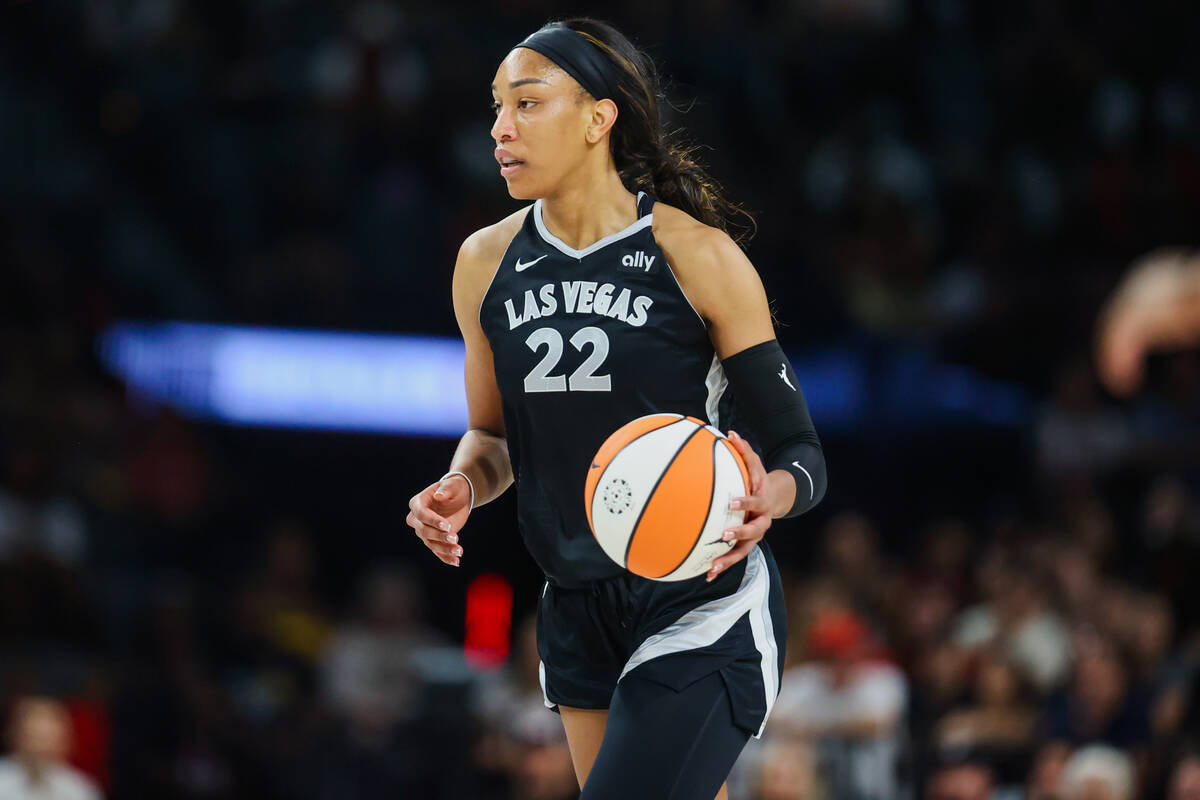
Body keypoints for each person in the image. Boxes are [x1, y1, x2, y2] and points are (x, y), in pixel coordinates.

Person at [406, 18, 827, 800]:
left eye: (527, 104)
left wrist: (775, 492)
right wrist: (463, 484)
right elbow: (492, 437)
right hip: (575, 603)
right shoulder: (482, 262)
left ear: (600, 119)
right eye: (496, 107)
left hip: (699, 599)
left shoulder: (696, 253)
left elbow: (801, 448)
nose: (500, 128)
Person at [0, 697, 102, 800]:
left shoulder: (79, 788)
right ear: (15, 737)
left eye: (49, 739)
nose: (42, 748)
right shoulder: (3, 781)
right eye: (35, 737)